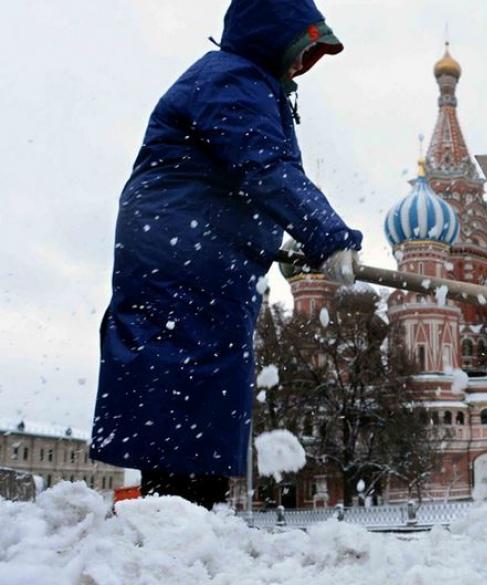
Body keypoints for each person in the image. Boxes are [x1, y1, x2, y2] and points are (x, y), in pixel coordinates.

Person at [89, 0, 362, 509]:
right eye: (302, 48)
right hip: (181, 262)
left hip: (196, 260)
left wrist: (273, 241)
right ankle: (176, 523)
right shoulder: (232, 79)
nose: (304, 63)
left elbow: (238, 180)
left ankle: (186, 519)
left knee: (201, 389)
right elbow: (263, 167)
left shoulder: (244, 82)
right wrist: (328, 236)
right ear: (272, 36)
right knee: (183, 385)